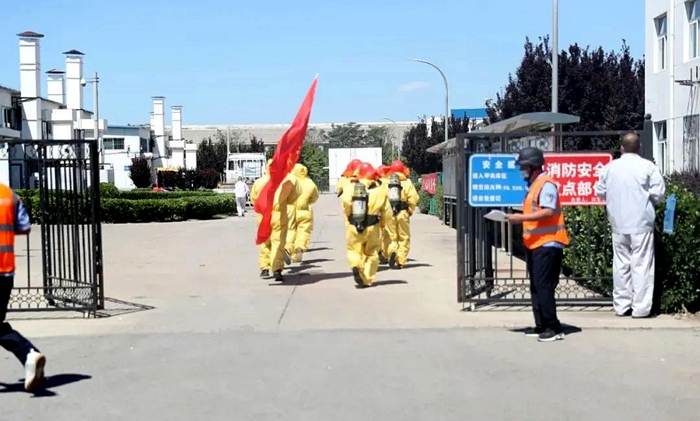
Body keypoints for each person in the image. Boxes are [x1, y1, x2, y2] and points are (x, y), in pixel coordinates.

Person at [595, 133, 666, 318]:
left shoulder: (609, 168)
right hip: (641, 221)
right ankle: (641, 308)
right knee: (641, 264)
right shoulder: (647, 166)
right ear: (639, 147)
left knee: (621, 264)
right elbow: (658, 194)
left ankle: (622, 305)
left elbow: (600, 191)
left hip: (618, 221)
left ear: (621, 148)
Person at [508, 147, 569, 342]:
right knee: (536, 286)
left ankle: (553, 327)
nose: (521, 170)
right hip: (536, 243)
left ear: (533, 166)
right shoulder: (534, 185)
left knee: (544, 286)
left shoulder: (546, 184)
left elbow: (548, 211)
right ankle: (541, 324)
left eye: (523, 167)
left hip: (548, 243)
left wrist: (521, 218)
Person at [0, 183, 46, 391]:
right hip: (5, 271)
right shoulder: (8, 194)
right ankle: (29, 355)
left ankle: (28, 353)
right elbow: (24, 226)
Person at [340, 163, 392, 288]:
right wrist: (383, 224)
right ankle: (366, 278)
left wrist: (349, 216)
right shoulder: (380, 190)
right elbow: (387, 211)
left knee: (353, 250)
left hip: (354, 225)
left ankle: (356, 265)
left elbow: (346, 202)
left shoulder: (351, 187)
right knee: (372, 253)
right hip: (373, 226)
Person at [250, 160, 299, 281]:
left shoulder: (259, 182)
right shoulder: (285, 182)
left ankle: (264, 268)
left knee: (264, 242)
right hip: (278, 215)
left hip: (263, 215)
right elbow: (292, 198)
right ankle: (276, 269)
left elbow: (253, 199)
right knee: (278, 242)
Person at [384, 160, 419, 269]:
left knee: (390, 235)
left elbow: (381, 197)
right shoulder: (407, 182)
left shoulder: (386, 182)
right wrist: (410, 209)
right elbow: (414, 197)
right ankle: (401, 260)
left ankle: (392, 250)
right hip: (403, 211)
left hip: (389, 211)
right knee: (404, 236)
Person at [288, 163, 319, 263]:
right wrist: (308, 202)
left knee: (290, 230)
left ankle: (288, 249)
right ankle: (300, 247)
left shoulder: (289, 181)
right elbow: (315, 197)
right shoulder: (310, 183)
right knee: (303, 231)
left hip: (290, 211)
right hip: (304, 210)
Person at [375, 165, 392, 264]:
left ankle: (380, 252)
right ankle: (390, 252)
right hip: (390, 210)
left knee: (378, 234)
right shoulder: (391, 182)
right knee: (388, 234)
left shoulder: (377, 183)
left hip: (379, 210)